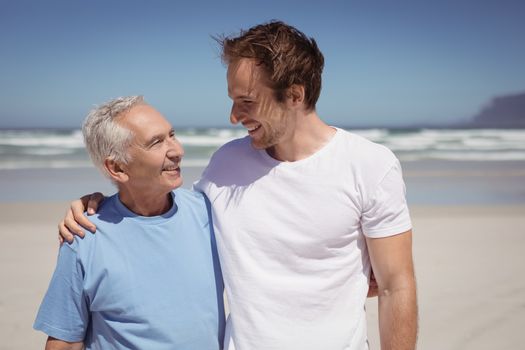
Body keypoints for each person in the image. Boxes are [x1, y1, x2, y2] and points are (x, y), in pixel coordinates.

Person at [59, 21, 417, 350]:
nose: (233, 117)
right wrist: (99, 205)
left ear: (294, 95)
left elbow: (394, 286)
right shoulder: (225, 164)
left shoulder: (370, 165)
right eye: (232, 100)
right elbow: (164, 211)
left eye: (246, 102)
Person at [35, 96, 225, 349]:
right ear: (117, 168)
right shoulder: (83, 236)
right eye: (156, 142)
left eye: (172, 135)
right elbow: (65, 342)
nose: (178, 151)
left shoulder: (211, 214)